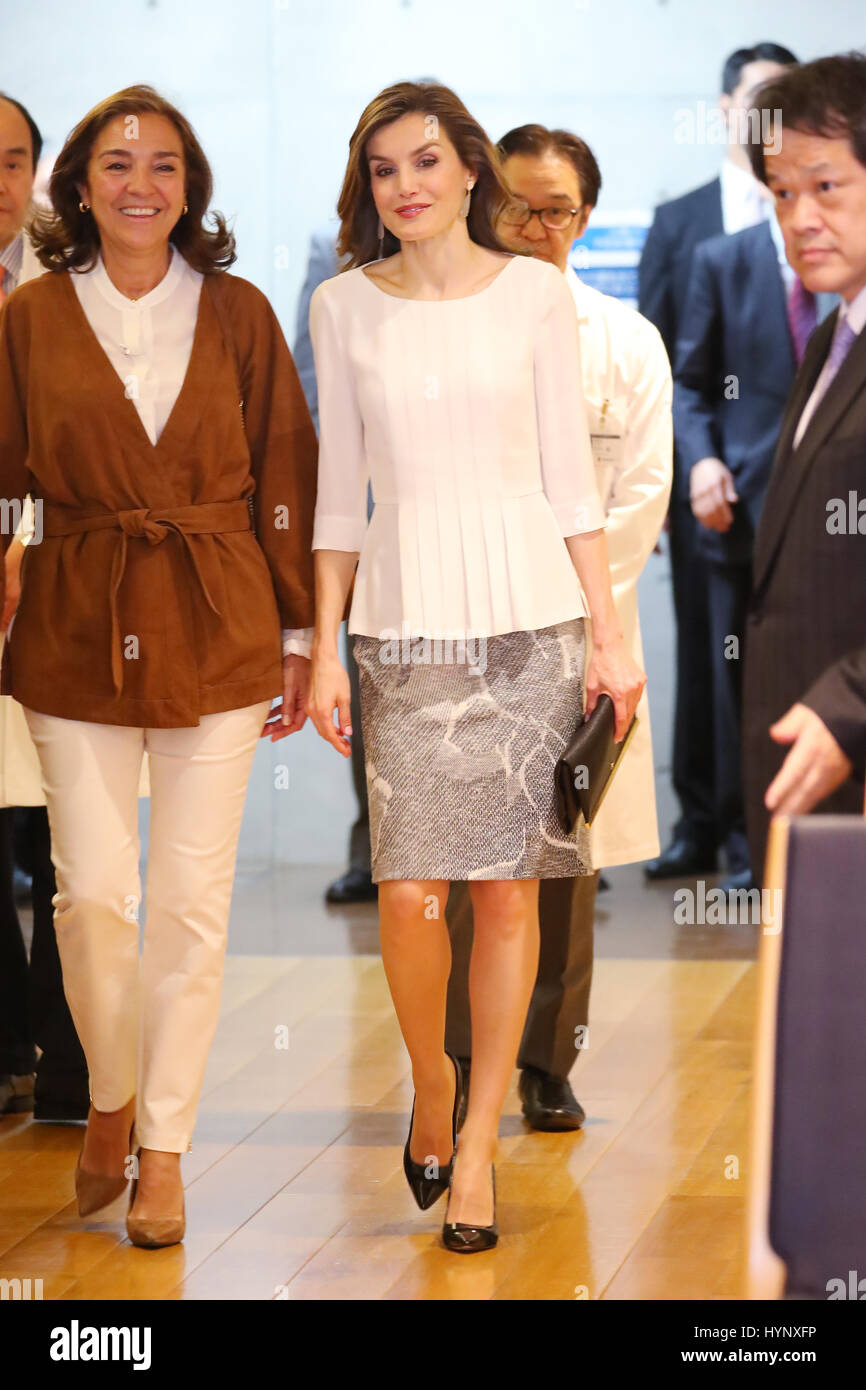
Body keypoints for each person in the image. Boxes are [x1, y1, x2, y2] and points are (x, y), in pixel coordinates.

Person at [307, 80, 644, 1253]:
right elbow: (334, 494)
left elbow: (569, 479)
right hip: (401, 631)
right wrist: (326, 651)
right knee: (411, 891)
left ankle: (482, 1137)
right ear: (372, 188)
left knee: (508, 891)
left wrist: (606, 634)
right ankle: (433, 1085)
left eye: (424, 162)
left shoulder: (536, 297)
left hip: (532, 627)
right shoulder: (341, 307)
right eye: (383, 169)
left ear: (465, 172)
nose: (405, 185)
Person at [0, 85, 317, 1246]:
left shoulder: (236, 312)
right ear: (78, 184)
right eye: (119, 163)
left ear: (191, 188)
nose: (142, 184)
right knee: (87, 895)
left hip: (217, 613)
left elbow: (285, 469)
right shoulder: (30, 317)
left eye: (166, 166)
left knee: (189, 903)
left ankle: (165, 1147)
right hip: (76, 613)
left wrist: (296, 636)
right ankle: (112, 1094)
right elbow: (3, 477)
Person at [444, 124, 671, 1131]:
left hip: (581, 635)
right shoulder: (441, 329)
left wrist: (561, 603)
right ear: (482, 204)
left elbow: (641, 494)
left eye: (557, 210)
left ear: (584, 215)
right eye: (517, 206)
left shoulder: (623, 341)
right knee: (460, 851)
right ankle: (459, 1059)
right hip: (459, 626)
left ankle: (546, 1061)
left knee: (561, 859)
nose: (536, 229)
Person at [639, 42, 798, 887]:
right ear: (727, 107)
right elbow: (660, 367)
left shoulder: (821, 214)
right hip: (708, 488)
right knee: (708, 664)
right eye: (760, 96)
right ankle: (704, 823)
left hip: (800, 491)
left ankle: (765, 835)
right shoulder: (685, 223)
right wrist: (673, 478)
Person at [673, 211, 836, 892]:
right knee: (740, 688)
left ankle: (830, 850)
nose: (805, 207)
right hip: (743, 515)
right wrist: (702, 460)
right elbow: (690, 384)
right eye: (786, 183)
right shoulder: (722, 259)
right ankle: (751, 848)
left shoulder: (847, 262)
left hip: (838, 522)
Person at [741, 52, 866, 880]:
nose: (800, 217)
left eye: (826, 187)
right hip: (807, 755)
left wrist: (851, 706)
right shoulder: (831, 336)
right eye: (782, 193)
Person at [0, 91, 98, 1124]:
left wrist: (24, 540)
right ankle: (4, 1055)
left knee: (66, 838)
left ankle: (72, 1067)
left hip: (57, 583)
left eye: (13, 158)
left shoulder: (71, 281)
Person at [293, 228, 377, 904]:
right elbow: (308, 381)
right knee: (367, 678)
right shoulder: (335, 250)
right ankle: (376, 848)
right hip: (362, 506)